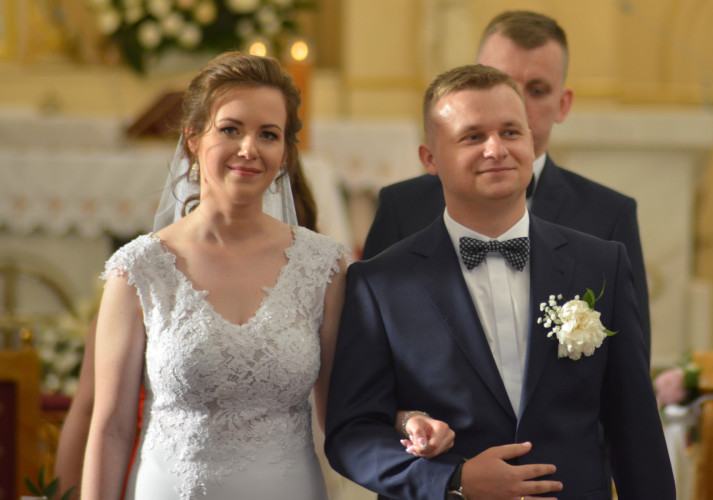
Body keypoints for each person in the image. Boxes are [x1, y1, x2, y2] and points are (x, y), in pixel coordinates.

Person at [325, 64, 675, 500]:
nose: (496, 149)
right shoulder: (380, 283)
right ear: (430, 159)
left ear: (530, 139)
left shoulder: (601, 264)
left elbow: (635, 427)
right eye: (473, 137)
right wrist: (453, 480)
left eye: (510, 132)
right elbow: (352, 433)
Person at [78, 52, 351, 500]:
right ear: (193, 137)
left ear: (285, 153)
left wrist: (407, 423)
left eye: (268, 134)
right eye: (230, 129)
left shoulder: (325, 267)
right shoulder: (139, 269)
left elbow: (342, 416)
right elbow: (111, 429)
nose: (249, 148)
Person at [361, 10, 651, 359]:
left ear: (563, 105)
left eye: (537, 90)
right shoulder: (403, 208)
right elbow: (371, 351)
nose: (517, 103)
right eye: (499, 82)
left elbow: (627, 363)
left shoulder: (609, 216)